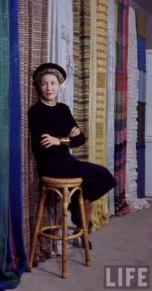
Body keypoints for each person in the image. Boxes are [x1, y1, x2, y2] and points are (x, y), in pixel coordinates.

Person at [28, 63, 117, 249]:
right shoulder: (36, 111)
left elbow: (81, 139)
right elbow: (45, 145)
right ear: (39, 86)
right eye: (44, 83)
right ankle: (81, 223)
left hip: (66, 161)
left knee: (102, 176)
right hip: (51, 165)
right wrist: (68, 136)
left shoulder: (63, 109)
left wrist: (59, 140)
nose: (49, 88)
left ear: (59, 85)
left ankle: (81, 216)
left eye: (53, 83)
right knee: (99, 175)